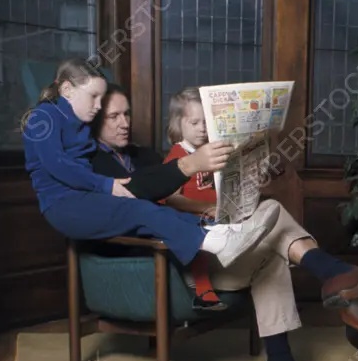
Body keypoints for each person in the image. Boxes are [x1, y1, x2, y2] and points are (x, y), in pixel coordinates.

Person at [90, 84, 358, 361]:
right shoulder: (96, 167)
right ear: (95, 119)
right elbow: (154, 206)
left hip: (214, 242)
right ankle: (331, 275)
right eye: (114, 116)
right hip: (180, 259)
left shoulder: (145, 156)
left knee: (271, 251)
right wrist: (204, 210)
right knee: (273, 212)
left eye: (126, 113)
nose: (124, 122)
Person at [23, 58, 278, 275]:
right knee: (139, 212)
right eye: (94, 97)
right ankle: (215, 242)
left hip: (86, 197)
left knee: (146, 208)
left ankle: (217, 233)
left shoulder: (79, 123)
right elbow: (58, 165)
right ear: (66, 89)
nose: (99, 105)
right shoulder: (43, 116)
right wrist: (106, 184)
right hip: (62, 205)